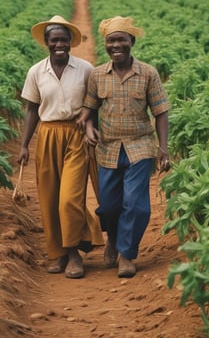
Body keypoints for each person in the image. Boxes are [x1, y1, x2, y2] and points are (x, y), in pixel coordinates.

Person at [77, 16, 170, 278]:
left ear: (132, 42)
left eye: (121, 39)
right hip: (106, 148)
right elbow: (89, 108)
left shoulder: (148, 73)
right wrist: (88, 128)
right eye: (111, 40)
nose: (116, 45)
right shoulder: (97, 75)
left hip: (140, 146)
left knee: (136, 205)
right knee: (108, 205)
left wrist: (163, 148)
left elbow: (161, 112)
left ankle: (127, 254)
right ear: (105, 44)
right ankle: (113, 239)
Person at [17, 15, 104, 279]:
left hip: (76, 136)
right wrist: (23, 146)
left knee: (69, 199)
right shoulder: (36, 71)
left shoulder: (85, 69)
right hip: (48, 134)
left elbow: (94, 105)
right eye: (54, 40)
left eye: (63, 40)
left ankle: (74, 253)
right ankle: (58, 254)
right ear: (46, 42)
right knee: (50, 198)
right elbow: (32, 109)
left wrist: (91, 126)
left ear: (70, 42)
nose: (59, 44)